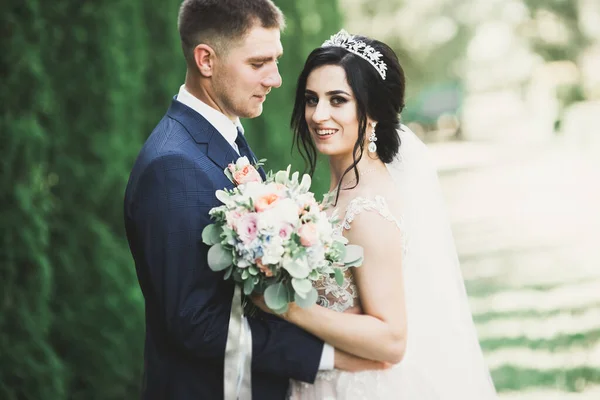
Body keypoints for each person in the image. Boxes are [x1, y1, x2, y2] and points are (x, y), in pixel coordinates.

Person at [123, 3, 384, 399]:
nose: (277, 79)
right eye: (259, 63)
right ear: (206, 60)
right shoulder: (173, 165)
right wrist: (328, 355)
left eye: (276, 60)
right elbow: (196, 324)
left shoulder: (223, 136)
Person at [252, 30, 499, 399]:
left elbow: (391, 339)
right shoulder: (344, 192)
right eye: (311, 99)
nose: (318, 115)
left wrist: (288, 309)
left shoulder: (368, 209)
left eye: (338, 100)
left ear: (373, 115)